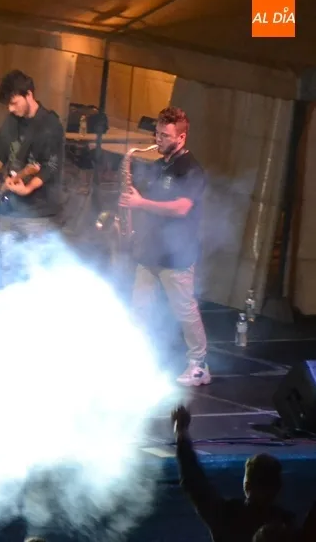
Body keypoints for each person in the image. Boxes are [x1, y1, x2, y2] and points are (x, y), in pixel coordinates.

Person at [119, 106, 210, 386]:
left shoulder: (191, 169)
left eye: (165, 135)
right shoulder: (158, 166)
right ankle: (139, 359)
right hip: (150, 250)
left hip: (176, 254)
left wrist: (140, 203)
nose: (158, 139)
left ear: (181, 137)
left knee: (185, 310)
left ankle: (199, 365)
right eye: (157, 133)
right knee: (139, 309)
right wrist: (131, 207)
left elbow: (181, 208)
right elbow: (147, 202)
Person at [0, 70, 65, 285]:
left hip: (38, 214)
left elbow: (51, 166)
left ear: (29, 94)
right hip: (9, 209)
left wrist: (28, 188)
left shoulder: (50, 125)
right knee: (6, 268)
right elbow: (0, 151)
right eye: (8, 105)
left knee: (34, 273)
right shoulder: (11, 121)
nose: (11, 109)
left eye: (14, 103)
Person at [172, 405, 294, 542]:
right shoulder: (285, 524)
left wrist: (181, 431)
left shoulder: (226, 515)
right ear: (278, 487)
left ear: (247, 485)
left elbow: (194, 481)